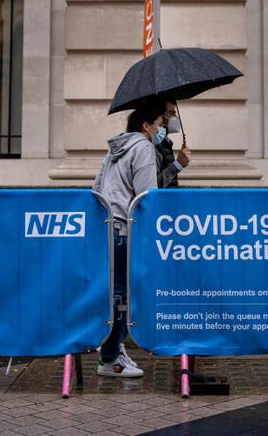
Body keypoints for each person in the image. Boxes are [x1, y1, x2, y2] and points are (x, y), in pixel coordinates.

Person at [93, 99, 167, 377]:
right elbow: (147, 196)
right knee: (124, 294)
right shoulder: (144, 148)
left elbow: (96, 189)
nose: (163, 131)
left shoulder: (113, 151)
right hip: (127, 229)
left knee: (114, 293)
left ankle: (113, 352)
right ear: (146, 125)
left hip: (108, 228)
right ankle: (110, 356)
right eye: (160, 124)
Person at [156, 99, 192, 188]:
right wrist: (178, 164)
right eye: (171, 113)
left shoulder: (166, 142)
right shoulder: (154, 144)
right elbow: (154, 184)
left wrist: (181, 162)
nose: (175, 117)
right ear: (161, 116)